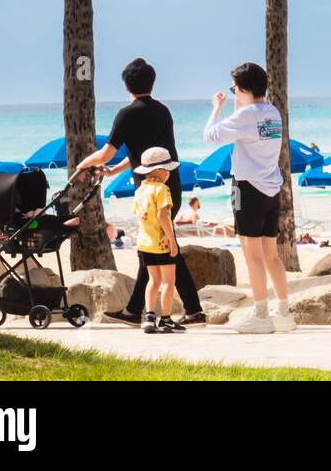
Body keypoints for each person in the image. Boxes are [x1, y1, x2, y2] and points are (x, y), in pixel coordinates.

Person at [76, 58, 205, 327]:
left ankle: (187, 310)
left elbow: (106, 152)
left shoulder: (127, 114)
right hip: (172, 186)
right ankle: (138, 310)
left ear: (126, 86)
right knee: (156, 247)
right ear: (152, 81)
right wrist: (114, 171)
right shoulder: (163, 111)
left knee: (161, 249)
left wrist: (83, 164)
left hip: (149, 193)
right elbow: (148, 156)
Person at [204, 62, 293, 334]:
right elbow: (243, 122)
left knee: (251, 254)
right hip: (271, 189)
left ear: (243, 89)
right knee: (271, 256)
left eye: (235, 89)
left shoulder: (245, 117)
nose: (233, 93)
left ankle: (261, 315)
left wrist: (216, 108)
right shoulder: (272, 113)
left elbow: (210, 136)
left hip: (246, 189)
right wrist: (235, 103)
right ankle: (285, 314)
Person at [131, 148, 183, 334]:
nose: (169, 173)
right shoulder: (162, 189)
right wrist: (172, 241)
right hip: (162, 243)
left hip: (144, 243)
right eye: (167, 169)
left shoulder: (140, 190)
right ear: (159, 170)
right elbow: (163, 215)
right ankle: (166, 319)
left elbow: (139, 215)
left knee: (153, 280)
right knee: (169, 281)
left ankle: (149, 317)